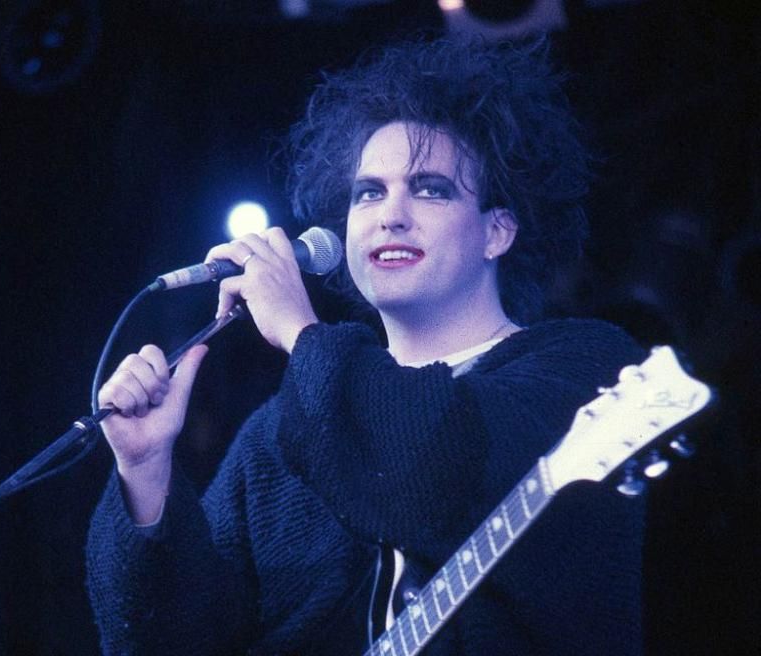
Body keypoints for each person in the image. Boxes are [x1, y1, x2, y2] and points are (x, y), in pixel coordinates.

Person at [86, 36, 645, 655]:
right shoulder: (276, 437)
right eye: (369, 192)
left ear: (497, 231)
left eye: (429, 189)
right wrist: (145, 472)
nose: (390, 215)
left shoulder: (584, 368)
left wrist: (300, 332)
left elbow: (429, 469)